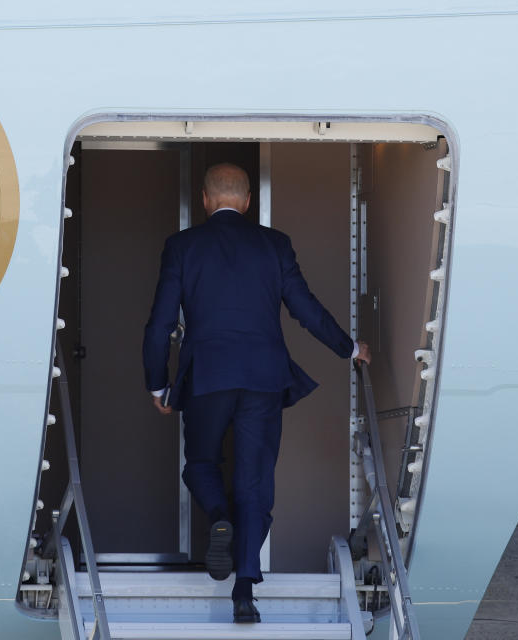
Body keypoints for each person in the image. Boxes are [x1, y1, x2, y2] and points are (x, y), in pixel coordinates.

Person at [142, 162, 371, 623]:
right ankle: (244, 591)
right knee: (255, 483)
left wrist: (158, 383)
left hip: (206, 376)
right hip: (264, 377)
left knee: (202, 464)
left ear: (206, 201)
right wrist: (349, 348)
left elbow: (160, 322)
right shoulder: (274, 244)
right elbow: (304, 307)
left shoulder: (182, 246)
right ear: (247, 202)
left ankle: (218, 515)